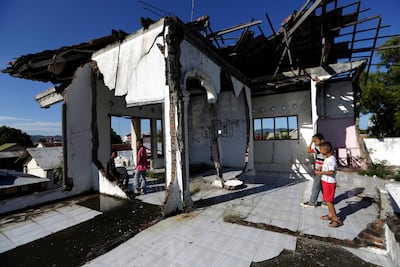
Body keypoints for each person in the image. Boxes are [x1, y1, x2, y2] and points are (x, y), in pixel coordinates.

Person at [316, 141, 342, 227]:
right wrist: (321, 167)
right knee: (327, 200)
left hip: (329, 183)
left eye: (321, 150)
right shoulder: (327, 158)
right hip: (325, 181)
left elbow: (331, 171)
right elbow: (327, 168)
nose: (320, 151)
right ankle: (330, 215)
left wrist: (322, 173)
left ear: (326, 150)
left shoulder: (331, 159)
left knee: (329, 201)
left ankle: (336, 219)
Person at [301, 133, 325, 208]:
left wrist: (311, 142)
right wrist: (312, 142)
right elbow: (308, 150)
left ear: (322, 140)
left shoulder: (320, 148)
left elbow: (308, 150)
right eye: (314, 142)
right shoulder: (324, 147)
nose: (315, 143)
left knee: (316, 186)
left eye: (316, 141)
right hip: (322, 170)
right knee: (322, 186)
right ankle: (326, 202)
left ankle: (312, 202)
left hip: (320, 170)